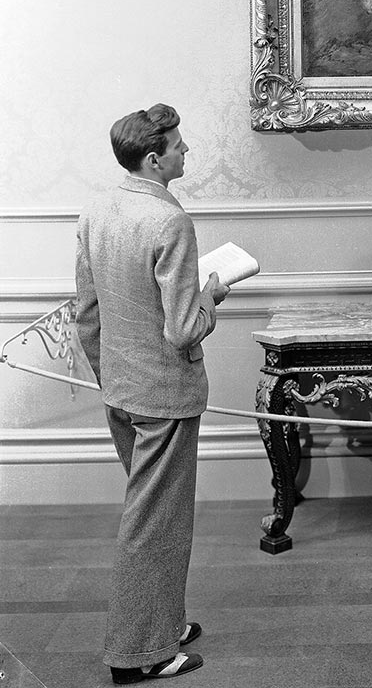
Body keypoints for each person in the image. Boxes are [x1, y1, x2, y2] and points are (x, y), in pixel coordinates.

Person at [75, 104, 229, 683]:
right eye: (179, 146)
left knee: (156, 519)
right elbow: (184, 328)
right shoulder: (169, 221)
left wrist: (108, 376)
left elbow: (86, 313)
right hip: (163, 395)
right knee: (155, 524)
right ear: (153, 156)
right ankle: (139, 655)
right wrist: (213, 293)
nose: (185, 152)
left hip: (120, 388)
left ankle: (162, 624)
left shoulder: (97, 209)